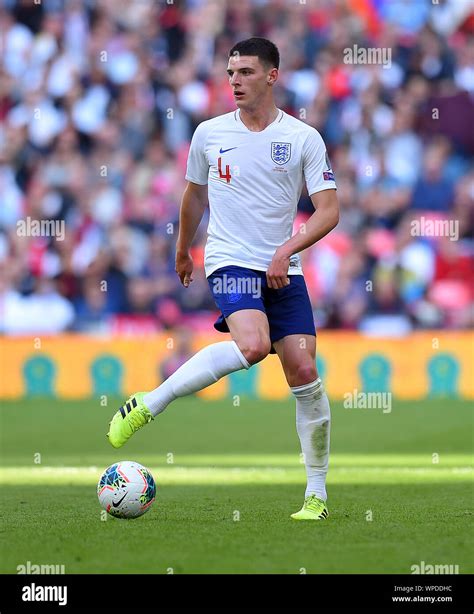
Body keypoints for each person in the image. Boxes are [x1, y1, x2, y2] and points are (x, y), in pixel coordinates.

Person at [107, 37, 339, 521]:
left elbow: (329, 212)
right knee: (253, 346)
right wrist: (182, 249)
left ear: (272, 76)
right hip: (229, 259)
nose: (235, 80)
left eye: (247, 72)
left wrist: (287, 250)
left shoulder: (302, 138)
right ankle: (153, 401)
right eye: (231, 72)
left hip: (281, 266)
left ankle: (316, 495)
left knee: (305, 374)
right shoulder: (209, 134)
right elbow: (193, 197)